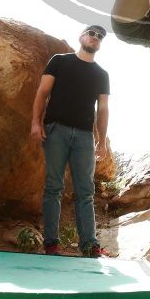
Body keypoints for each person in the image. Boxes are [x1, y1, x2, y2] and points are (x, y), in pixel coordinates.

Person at [30, 24, 110, 257]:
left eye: (100, 36)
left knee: (85, 191)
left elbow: (103, 109)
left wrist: (102, 141)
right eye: (92, 33)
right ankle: (51, 244)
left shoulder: (101, 74)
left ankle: (89, 245)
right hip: (56, 130)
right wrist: (36, 122)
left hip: (85, 136)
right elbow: (42, 93)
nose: (96, 38)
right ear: (82, 36)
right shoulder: (60, 61)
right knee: (53, 187)